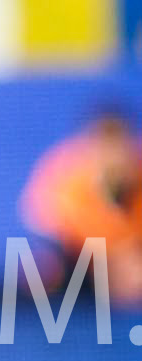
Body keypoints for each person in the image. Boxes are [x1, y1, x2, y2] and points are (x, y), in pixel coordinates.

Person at [20, 109, 142, 307]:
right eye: (105, 149)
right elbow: (43, 223)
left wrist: (131, 255)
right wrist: (108, 259)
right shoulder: (66, 180)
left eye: (119, 149)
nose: (114, 159)